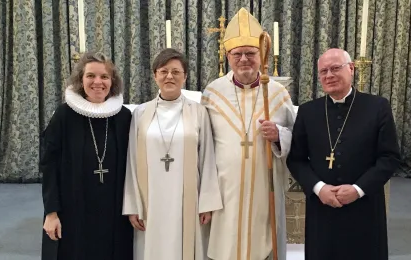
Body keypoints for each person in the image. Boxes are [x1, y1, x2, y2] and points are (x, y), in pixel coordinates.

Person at [286, 48, 401, 260]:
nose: (329, 75)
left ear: (351, 69)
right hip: (322, 207)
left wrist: (358, 190)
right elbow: (296, 160)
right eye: (323, 71)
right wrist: (319, 189)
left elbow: (390, 157)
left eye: (335, 68)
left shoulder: (377, 107)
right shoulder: (308, 111)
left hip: (364, 205)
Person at [201, 8, 296, 260]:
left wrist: (278, 136)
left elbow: (295, 137)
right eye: (237, 54)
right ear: (228, 56)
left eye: (250, 53)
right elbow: (201, 145)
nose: (244, 59)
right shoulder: (212, 93)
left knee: (262, 243)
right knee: (224, 244)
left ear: (261, 54)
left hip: (264, 188)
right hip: (223, 189)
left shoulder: (276, 93)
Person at [122, 48, 223, 260]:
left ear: (185, 77)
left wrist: (206, 202)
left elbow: (207, 159)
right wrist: (132, 205)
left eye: (176, 72)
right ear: (155, 75)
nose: (169, 76)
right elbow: (131, 161)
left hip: (187, 199)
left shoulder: (198, 112)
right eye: (164, 71)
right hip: (150, 198)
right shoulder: (140, 113)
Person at [40, 52, 133, 260]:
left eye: (104, 77)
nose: (97, 82)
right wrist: (51, 212)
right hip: (73, 212)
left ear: (113, 81)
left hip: (114, 213)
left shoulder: (124, 117)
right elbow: (49, 165)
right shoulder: (64, 115)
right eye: (91, 76)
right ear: (81, 80)